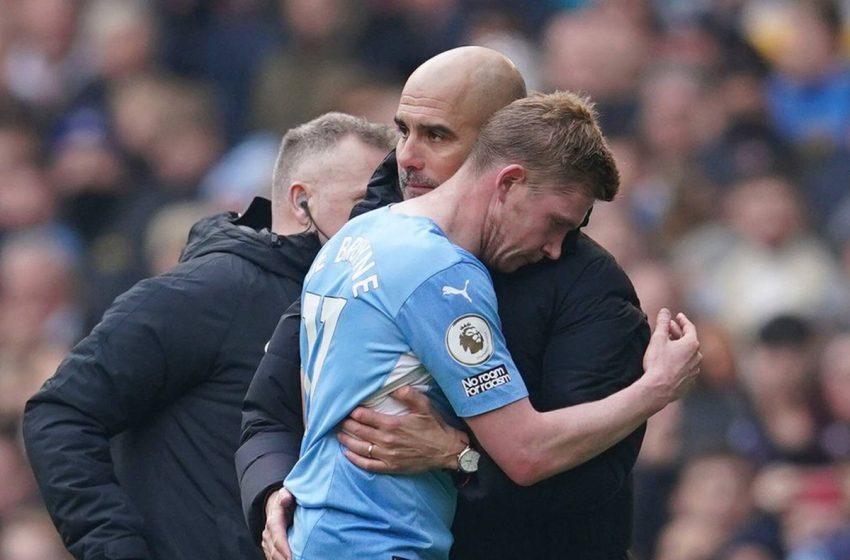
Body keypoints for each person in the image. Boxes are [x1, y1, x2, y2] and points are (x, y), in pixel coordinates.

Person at [238, 47, 692, 560]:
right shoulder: (440, 270)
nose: (406, 155)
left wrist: (458, 455)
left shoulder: (357, 238)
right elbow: (526, 451)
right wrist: (657, 387)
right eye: (403, 130)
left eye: (436, 135)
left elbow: (589, 485)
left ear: (498, 141)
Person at [21, 112, 396, 560]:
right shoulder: (211, 290)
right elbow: (61, 413)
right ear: (301, 203)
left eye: (390, 202)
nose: (381, 219)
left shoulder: (372, 301)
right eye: (364, 202)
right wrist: (117, 549)